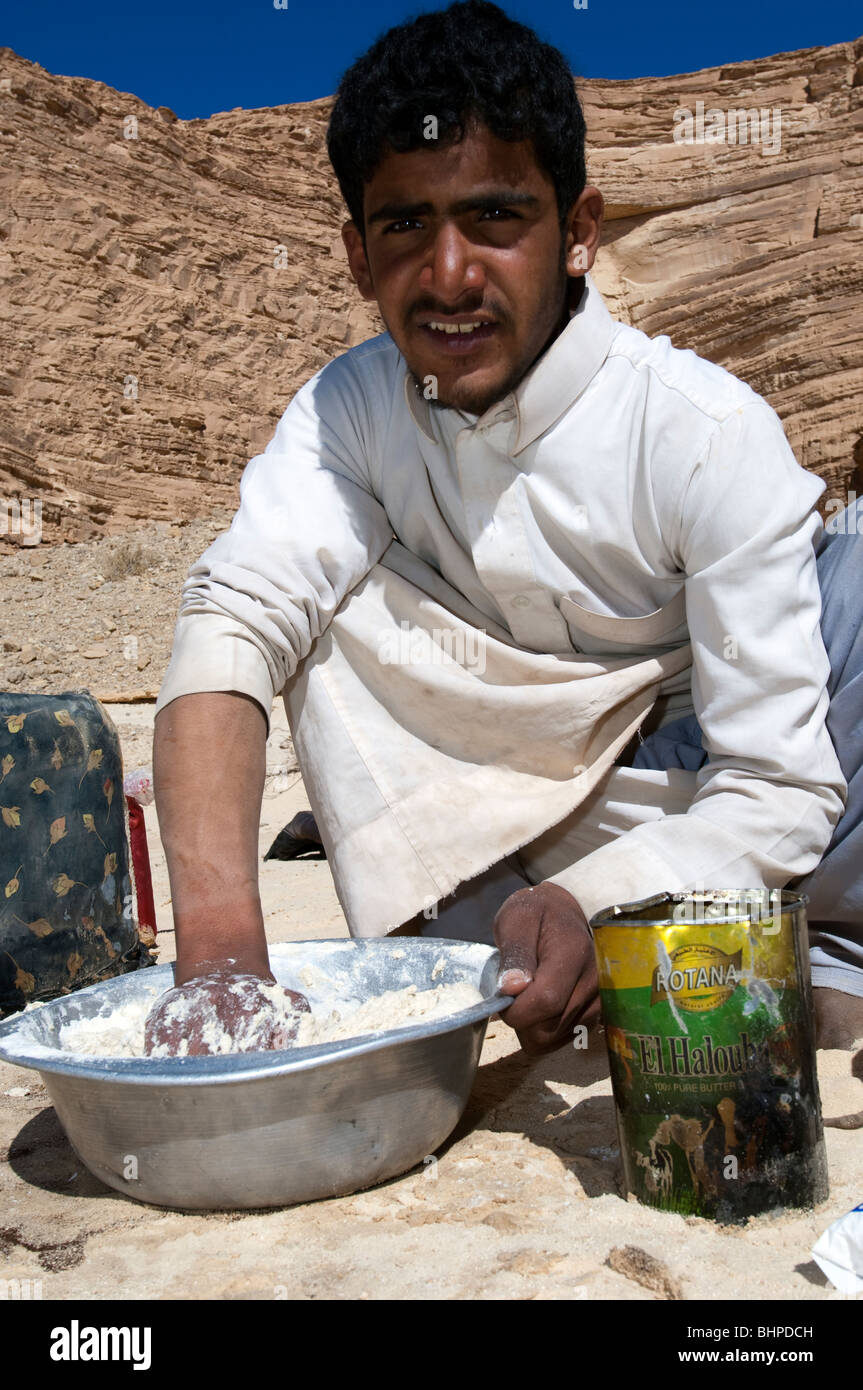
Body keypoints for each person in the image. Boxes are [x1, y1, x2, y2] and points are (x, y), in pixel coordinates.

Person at [149, 1, 862, 1056]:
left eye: (493, 218)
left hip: (774, 772)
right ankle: (661, 960)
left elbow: (778, 783)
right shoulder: (349, 416)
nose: (447, 275)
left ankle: (785, 950)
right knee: (312, 605)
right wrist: (217, 966)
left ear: (575, 233)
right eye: (404, 226)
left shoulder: (698, 431)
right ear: (355, 256)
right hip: (524, 821)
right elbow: (233, 623)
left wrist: (594, 890)